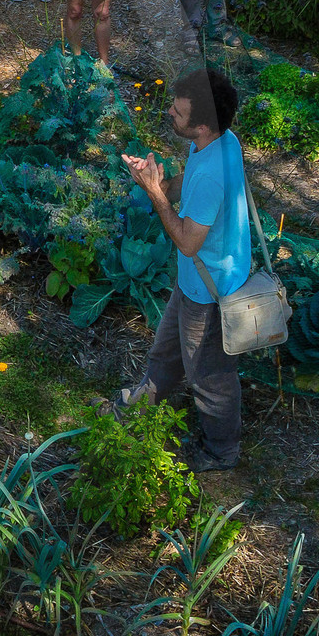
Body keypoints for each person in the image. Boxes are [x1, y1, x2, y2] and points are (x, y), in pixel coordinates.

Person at [120, 66, 250, 471]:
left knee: (210, 376)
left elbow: (188, 240)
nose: (170, 116)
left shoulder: (213, 173)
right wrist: (159, 181)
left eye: (177, 113)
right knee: (167, 348)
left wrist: (155, 195)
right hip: (197, 279)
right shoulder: (219, 143)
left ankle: (221, 450)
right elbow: (187, 186)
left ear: (202, 125)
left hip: (211, 291)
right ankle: (141, 403)